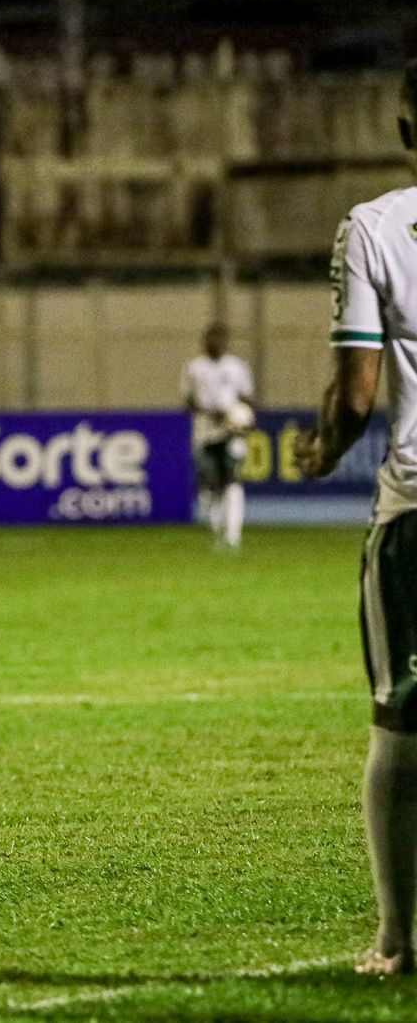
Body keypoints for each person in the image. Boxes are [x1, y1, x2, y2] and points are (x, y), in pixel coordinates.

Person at [296, 57, 417, 977]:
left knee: (401, 720)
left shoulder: (376, 228)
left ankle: (397, 941)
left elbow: (359, 388)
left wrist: (321, 449)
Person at [180, 323, 255, 550]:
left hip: (231, 434)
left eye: (219, 339)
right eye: (211, 339)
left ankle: (233, 535)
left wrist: (241, 418)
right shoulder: (194, 369)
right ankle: (216, 529)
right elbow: (187, 402)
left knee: (233, 481)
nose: (216, 343)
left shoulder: (236, 367)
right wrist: (207, 412)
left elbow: (248, 398)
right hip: (204, 433)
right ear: (204, 342)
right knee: (210, 483)